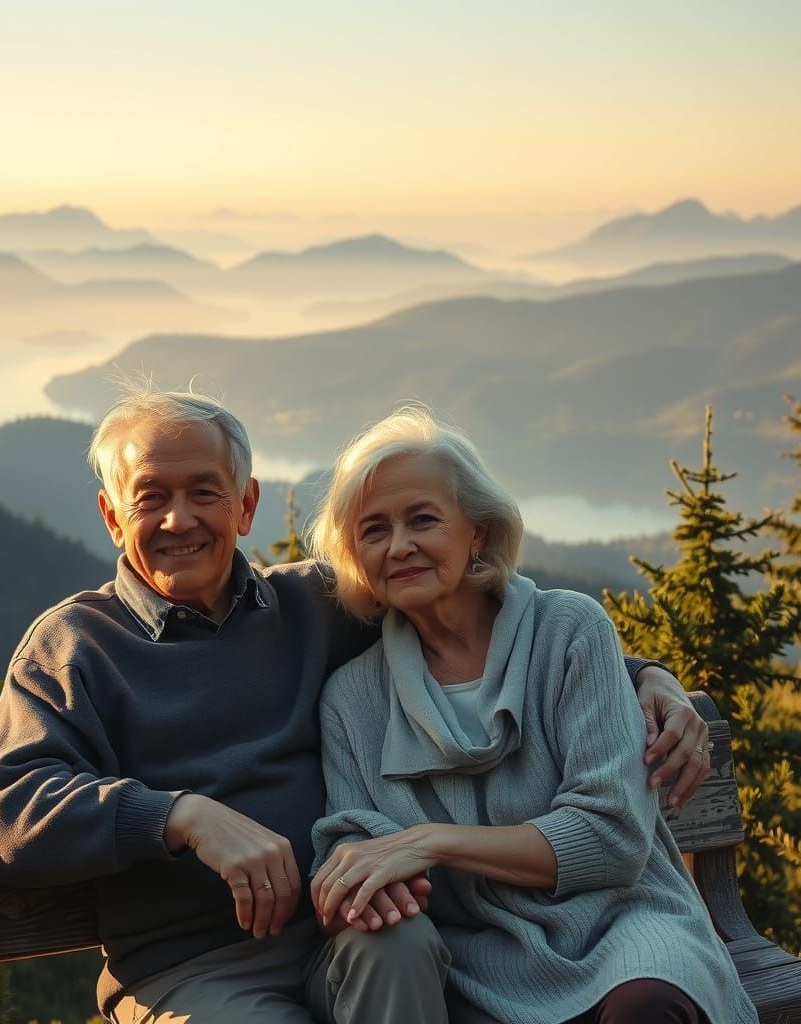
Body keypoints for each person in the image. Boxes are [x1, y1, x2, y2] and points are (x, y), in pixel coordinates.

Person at [0, 386, 712, 1024]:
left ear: (246, 505)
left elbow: (475, 618)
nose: (179, 520)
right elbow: (10, 811)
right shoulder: (74, 646)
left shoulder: (313, 606)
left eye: (204, 492)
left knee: (403, 944)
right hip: (197, 966)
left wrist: (645, 677)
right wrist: (180, 817)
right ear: (112, 516)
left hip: (351, 933)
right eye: (151, 498)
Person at [308, 407, 756, 1024]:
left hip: (620, 925)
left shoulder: (570, 630)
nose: (400, 545)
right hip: (473, 957)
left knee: (648, 1007)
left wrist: (427, 843)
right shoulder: (351, 700)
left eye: (423, 519)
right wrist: (361, 883)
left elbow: (611, 839)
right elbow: (354, 853)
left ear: (478, 534)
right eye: (374, 530)